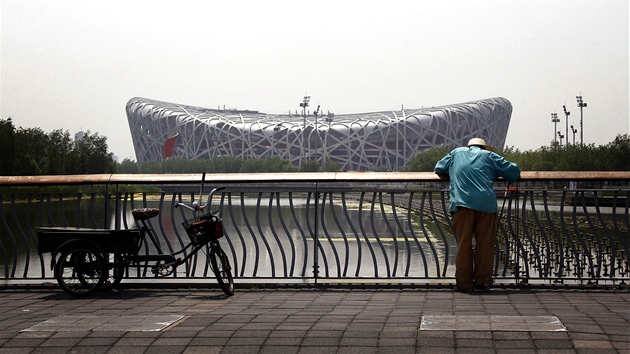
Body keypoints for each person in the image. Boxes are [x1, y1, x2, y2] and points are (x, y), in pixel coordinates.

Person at [434, 138, 521, 292]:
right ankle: (482, 282)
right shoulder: (489, 156)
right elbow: (513, 172)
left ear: (469, 146)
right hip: (485, 205)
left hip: (461, 204)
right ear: (484, 147)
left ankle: (463, 283)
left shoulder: (456, 153)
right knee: (485, 245)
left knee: (464, 244)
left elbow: (439, 168)